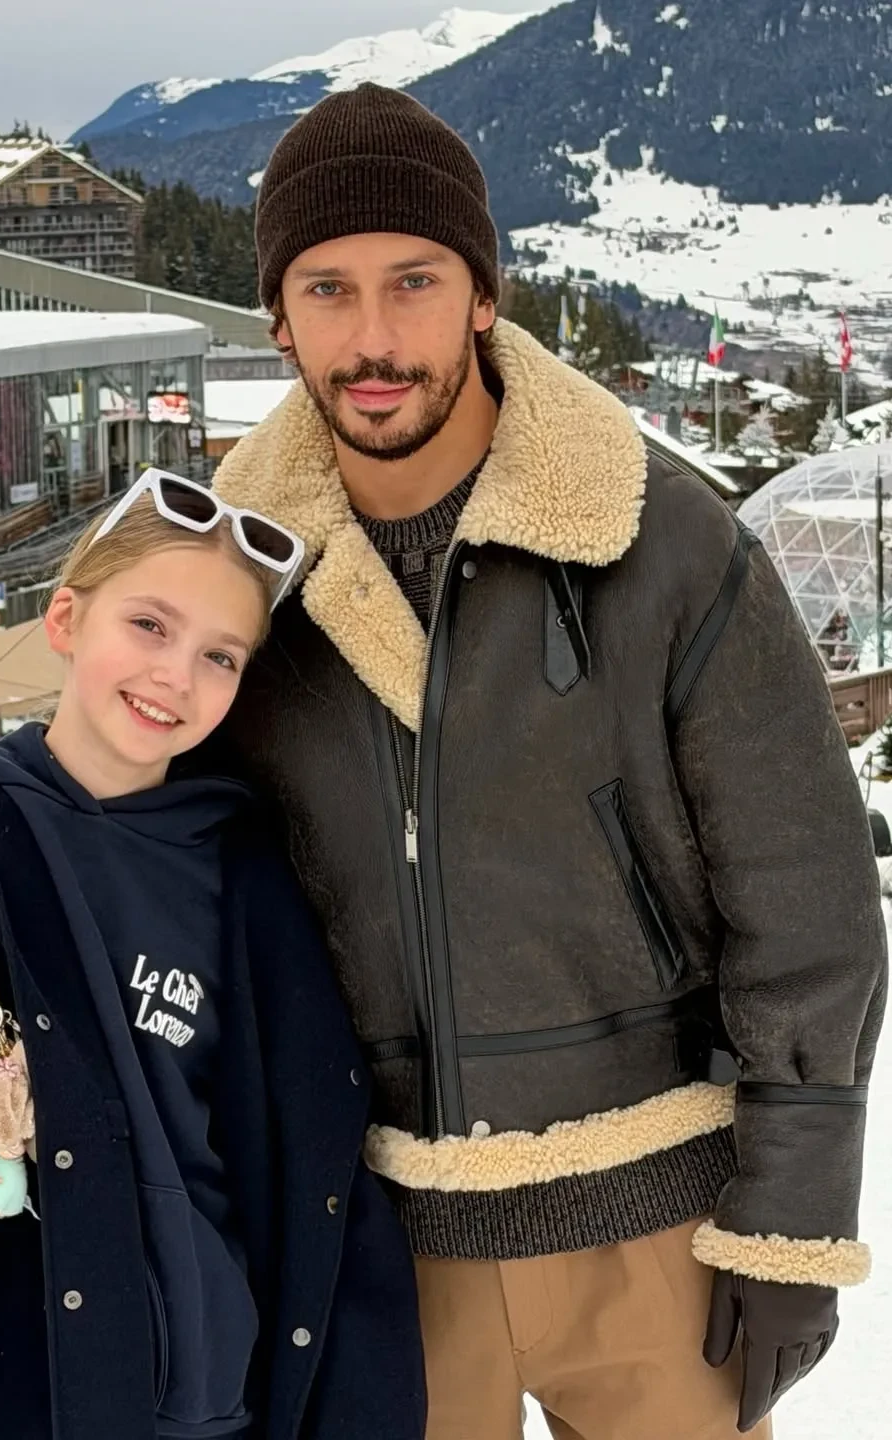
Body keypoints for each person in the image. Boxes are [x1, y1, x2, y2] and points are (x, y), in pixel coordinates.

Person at [213, 83, 887, 1440]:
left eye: (415, 281)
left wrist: (792, 1219)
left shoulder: (665, 543)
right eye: (329, 290)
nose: (374, 337)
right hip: (379, 1254)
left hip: (659, 1232)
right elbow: (118, 796)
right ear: (279, 318)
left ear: (484, 293)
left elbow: (807, 904)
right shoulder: (234, 578)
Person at [0, 472, 425, 1440]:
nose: (176, 676)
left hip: (231, 1409)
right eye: (149, 625)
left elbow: (315, 1160)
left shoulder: (247, 871)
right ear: (64, 619)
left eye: (220, 655)